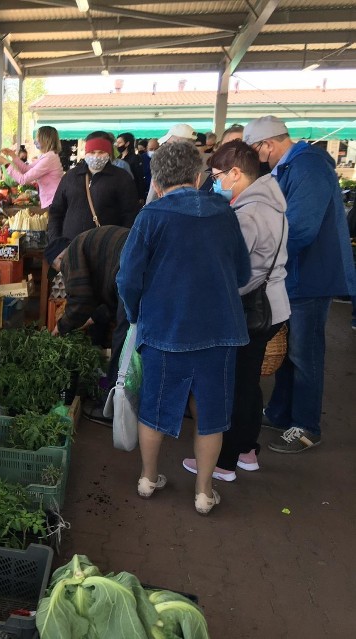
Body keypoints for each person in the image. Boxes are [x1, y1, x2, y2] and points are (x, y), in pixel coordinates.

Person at [116, 141, 251, 515]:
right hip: (219, 330)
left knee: (154, 408)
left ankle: (147, 478)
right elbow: (242, 272)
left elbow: (128, 278)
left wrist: (134, 314)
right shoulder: (225, 213)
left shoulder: (151, 216)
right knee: (211, 414)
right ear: (198, 176)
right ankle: (204, 493)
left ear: (157, 182)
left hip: (164, 329)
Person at [243, 115, 356, 453]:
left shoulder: (309, 167)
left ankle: (307, 426)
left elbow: (300, 229)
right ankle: (280, 412)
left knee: (306, 353)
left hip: (310, 277)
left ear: (268, 144)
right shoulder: (290, 168)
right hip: (293, 275)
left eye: (255, 151)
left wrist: (262, 256)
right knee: (290, 351)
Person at [182, 141, 290, 481]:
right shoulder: (272, 203)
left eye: (216, 175)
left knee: (234, 385)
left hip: (252, 309)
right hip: (274, 306)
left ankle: (223, 462)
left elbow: (231, 269)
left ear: (235, 173)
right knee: (249, 383)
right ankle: (246, 451)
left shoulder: (248, 214)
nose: (214, 182)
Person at [54, 225, 130, 420]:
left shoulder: (70, 256)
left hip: (131, 268)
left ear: (59, 259)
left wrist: (61, 326)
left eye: (58, 269)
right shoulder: (86, 245)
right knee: (129, 338)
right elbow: (110, 302)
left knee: (122, 340)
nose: (61, 274)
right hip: (134, 266)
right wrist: (91, 318)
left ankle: (111, 408)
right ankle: (124, 402)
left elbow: (80, 300)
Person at [45, 131, 139, 271]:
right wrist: (56, 243)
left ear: (109, 153)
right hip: (71, 252)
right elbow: (56, 213)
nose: (96, 156)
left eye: (101, 152)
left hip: (107, 255)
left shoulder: (122, 178)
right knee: (75, 291)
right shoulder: (70, 177)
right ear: (86, 153)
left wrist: (121, 248)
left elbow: (130, 216)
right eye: (92, 152)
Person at [0, 125, 64, 211]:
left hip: (54, 202)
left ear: (44, 140)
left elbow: (23, 180)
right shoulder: (47, 156)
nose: (35, 141)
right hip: (52, 201)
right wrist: (12, 155)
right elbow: (27, 169)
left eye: (37, 137)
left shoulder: (49, 158)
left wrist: (6, 163)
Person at [145, 124, 210, 204]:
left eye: (168, 143)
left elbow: (152, 197)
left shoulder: (165, 163)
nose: (166, 147)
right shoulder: (209, 163)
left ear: (177, 142)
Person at [116, 132, 147, 200]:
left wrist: (140, 196)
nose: (117, 145)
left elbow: (139, 178)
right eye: (117, 143)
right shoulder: (118, 158)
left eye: (120, 143)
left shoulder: (135, 158)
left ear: (127, 143)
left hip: (132, 193)